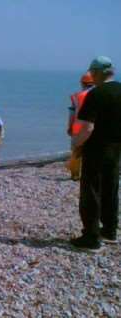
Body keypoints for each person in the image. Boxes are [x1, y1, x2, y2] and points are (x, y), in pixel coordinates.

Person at [70, 56, 121, 250]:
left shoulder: (96, 94)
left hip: (96, 149)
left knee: (91, 191)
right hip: (116, 149)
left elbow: (87, 128)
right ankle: (109, 230)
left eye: (92, 73)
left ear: (98, 73)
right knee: (111, 188)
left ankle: (91, 238)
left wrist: (76, 144)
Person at [67, 72, 94, 180]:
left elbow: (72, 113)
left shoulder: (76, 96)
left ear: (82, 83)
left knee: (76, 150)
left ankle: (75, 174)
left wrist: (69, 127)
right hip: (92, 125)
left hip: (77, 126)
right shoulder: (97, 95)